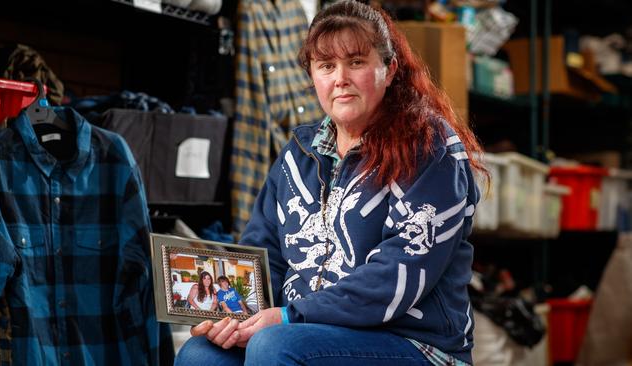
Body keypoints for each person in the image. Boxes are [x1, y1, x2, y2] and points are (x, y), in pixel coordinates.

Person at [175, 0, 486, 364]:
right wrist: (228, 316)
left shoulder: (428, 146)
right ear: (312, 76)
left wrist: (290, 316)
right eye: (326, 66)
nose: (340, 79)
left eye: (356, 62)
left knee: (275, 346)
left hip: (412, 343)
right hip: (308, 331)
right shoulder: (298, 155)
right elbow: (265, 257)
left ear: (389, 69)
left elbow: (399, 275)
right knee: (201, 354)